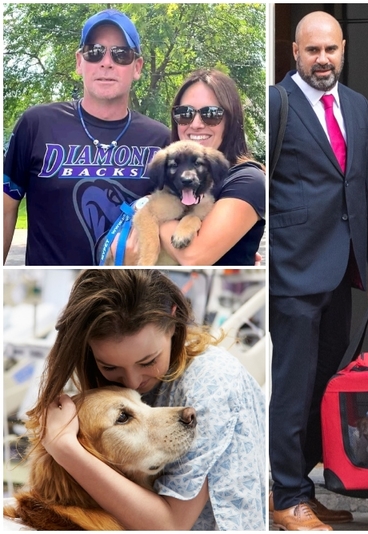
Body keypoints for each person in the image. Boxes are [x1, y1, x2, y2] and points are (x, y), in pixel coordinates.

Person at [268, 11, 368, 531]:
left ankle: (303, 487)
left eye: (331, 50)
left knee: (322, 384)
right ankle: (284, 497)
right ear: (294, 52)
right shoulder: (277, 103)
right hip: (291, 270)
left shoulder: (358, 106)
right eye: (312, 50)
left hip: (343, 269)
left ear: (343, 49)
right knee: (292, 388)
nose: (323, 59)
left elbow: (367, 187)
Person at [29, 269, 266, 530]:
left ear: (174, 324)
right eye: (110, 367)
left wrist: (65, 449)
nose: (131, 382)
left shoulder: (212, 382)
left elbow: (170, 526)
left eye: (148, 361)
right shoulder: (93, 378)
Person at [3, 9, 170, 266]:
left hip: (125, 293)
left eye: (121, 54)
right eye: (94, 52)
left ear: (137, 67)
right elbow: (6, 208)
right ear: (79, 62)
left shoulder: (161, 140)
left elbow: (179, 220)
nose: (106, 62)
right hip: (49, 293)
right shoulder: (36, 124)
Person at [116, 68, 266, 265]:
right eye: (184, 113)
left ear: (231, 119)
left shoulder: (248, 181)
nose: (195, 124)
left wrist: (150, 213)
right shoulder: (171, 174)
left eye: (211, 114)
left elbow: (193, 257)